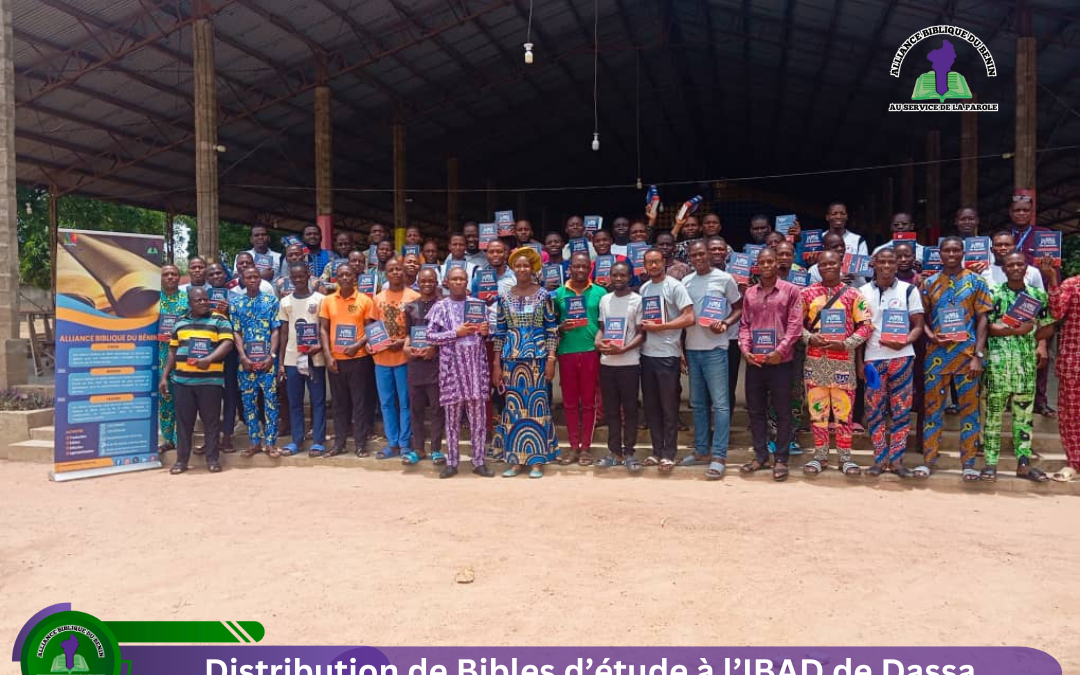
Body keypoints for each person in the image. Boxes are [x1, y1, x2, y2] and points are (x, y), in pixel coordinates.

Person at [919, 236, 992, 480]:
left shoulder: (976, 281)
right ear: (939, 253)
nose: (951, 254)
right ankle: (929, 461)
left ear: (963, 252)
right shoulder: (929, 283)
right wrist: (931, 337)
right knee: (932, 411)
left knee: (969, 412)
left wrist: (978, 356)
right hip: (936, 356)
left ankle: (969, 464)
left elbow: (983, 319)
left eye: (956, 250)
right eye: (947, 250)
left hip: (966, 355)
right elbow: (920, 317)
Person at [798, 251, 873, 477]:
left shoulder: (853, 294)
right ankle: (820, 456)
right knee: (817, 411)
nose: (828, 267)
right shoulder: (807, 294)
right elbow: (794, 325)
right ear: (817, 267)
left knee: (844, 412)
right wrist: (810, 338)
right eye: (823, 264)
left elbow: (867, 325)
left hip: (843, 362)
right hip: (815, 361)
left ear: (840, 265)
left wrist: (847, 344)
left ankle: (845, 458)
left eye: (832, 263)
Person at [982, 251, 1053, 482]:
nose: (1015, 268)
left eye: (1019, 264)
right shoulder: (994, 294)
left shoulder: (1037, 295)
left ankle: (1023, 464)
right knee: (993, 415)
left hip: (1025, 364)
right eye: (1010, 265)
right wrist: (1015, 330)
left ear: (1026, 268)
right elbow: (986, 327)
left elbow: (1049, 325)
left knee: (1024, 416)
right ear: (1003, 269)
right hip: (998, 364)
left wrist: (1034, 338)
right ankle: (990, 464)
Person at [491, 247, 560, 477]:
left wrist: (551, 358)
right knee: (514, 409)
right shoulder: (504, 297)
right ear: (513, 268)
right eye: (518, 266)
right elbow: (499, 332)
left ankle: (537, 460)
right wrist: (496, 364)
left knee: (536, 408)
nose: (522, 269)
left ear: (533, 268)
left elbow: (551, 330)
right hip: (511, 360)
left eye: (526, 265)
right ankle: (516, 460)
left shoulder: (544, 296)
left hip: (537, 359)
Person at [738, 248, 803, 482]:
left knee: (782, 412)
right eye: (762, 262)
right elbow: (745, 324)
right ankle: (760, 456)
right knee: (755, 411)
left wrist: (780, 350)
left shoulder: (791, 291)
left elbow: (795, 325)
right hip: (755, 362)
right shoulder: (750, 294)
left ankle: (782, 460)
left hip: (780, 362)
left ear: (778, 263)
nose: (766, 265)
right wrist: (745, 350)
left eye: (770, 261)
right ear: (757, 266)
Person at [425, 266, 495, 478]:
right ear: (446, 282)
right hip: (451, 371)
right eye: (454, 279)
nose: (458, 282)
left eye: (462, 279)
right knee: (452, 420)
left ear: (467, 282)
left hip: (475, 370)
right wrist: (456, 333)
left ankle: (479, 461)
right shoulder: (440, 307)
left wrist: (486, 331)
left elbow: (492, 334)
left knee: (478, 419)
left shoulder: (479, 305)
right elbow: (430, 337)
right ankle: (452, 461)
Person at [860, 247, 924, 477]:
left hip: (902, 358)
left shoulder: (909, 290)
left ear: (897, 265)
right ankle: (879, 459)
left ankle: (896, 461)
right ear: (874, 264)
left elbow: (918, 324)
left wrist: (906, 340)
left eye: (891, 262)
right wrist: (860, 362)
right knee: (874, 411)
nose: (886, 266)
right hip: (873, 361)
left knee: (901, 410)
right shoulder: (862, 292)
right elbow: (860, 330)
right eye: (882, 262)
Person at [681, 241, 742, 479]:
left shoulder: (724, 279)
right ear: (689, 258)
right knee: (698, 404)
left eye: (701, 253)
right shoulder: (686, 282)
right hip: (692, 349)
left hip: (716, 349)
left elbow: (738, 307)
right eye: (693, 255)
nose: (698, 258)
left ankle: (719, 456)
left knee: (721, 404)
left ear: (710, 254)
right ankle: (701, 451)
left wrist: (725, 323)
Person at [159, 286, 233, 474]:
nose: (203, 302)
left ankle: (213, 459)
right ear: (190, 303)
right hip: (183, 382)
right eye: (198, 300)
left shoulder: (219, 320)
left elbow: (227, 343)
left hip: (210, 382)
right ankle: (181, 461)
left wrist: (209, 359)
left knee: (211, 422)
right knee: (184, 424)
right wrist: (165, 376)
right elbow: (173, 350)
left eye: (204, 299)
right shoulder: (180, 323)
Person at [639, 248, 694, 471]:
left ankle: (669, 453)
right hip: (647, 354)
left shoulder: (675, 286)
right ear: (644, 265)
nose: (653, 266)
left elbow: (690, 317)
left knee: (669, 407)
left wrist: (663, 327)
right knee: (651, 407)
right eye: (649, 263)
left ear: (664, 262)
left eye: (656, 262)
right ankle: (656, 451)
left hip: (667, 355)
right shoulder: (644, 289)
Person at [552, 252, 606, 465]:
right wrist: (560, 328)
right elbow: (551, 324)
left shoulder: (600, 292)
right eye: (577, 266)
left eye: (585, 267)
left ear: (590, 268)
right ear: (570, 268)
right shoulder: (558, 294)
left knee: (589, 402)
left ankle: (586, 447)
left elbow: (605, 323)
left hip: (591, 351)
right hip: (566, 351)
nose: (581, 270)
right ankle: (573, 447)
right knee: (570, 402)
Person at [318, 263, 376, 457]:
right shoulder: (327, 301)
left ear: (355, 278)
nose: (344, 278)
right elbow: (323, 329)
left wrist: (356, 346)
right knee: (339, 404)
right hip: (335, 360)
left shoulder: (365, 300)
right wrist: (327, 355)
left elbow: (371, 330)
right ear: (336, 278)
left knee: (359, 402)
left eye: (348, 275)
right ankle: (339, 443)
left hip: (359, 359)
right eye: (341, 274)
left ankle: (360, 444)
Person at [1008, 192, 1056, 417]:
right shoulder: (1003, 238)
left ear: (1031, 213)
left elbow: (1055, 271)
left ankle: (1040, 400)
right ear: (1011, 212)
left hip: (1038, 301)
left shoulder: (1045, 237)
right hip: (1008, 303)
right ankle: (1010, 398)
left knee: (1040, 353)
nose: (1021, 213)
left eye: (1025, 210)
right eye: (1017, 210)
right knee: (1009, 354)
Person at [595, 261, 645, 472]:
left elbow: (642, 334)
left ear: (629, 277)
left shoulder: (637, 300)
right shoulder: (605, 300)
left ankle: (630, 452)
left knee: (631, 409)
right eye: (614, 275)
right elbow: (602, 329)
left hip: (629, 363)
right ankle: (614, 451)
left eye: (622, 275)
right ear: (609, 276)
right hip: (607, 364)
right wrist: (598, 342)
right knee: (612, 410)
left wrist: (624, 349)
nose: (618, 279)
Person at [370, 257, 420, 460]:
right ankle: (392, 442)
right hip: (381, 358)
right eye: (391, 270)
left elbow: (419, 329)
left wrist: (402, 343)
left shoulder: (414, 297)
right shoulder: (378, 298)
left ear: (404, 271)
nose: (396, 273)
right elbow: (373, 325)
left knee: (405, 401)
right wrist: (373, 343)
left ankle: (405, 443)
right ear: (386, 274)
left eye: (398, 269)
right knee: (387, 402)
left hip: (404, 358)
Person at [230, 266, 281, 458]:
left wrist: (272, 356)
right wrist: (243, 356)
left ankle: (270, 443)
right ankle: (254, 442)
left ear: (261, 279)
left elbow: (275, 330)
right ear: (242, 280)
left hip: (268, 362)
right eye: (248, 277)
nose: (252, 280)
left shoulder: (271, 301)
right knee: (248, 402)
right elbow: (236, 331)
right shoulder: (236, 303)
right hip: (246, 363)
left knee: (270, 401)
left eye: (255, 277)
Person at [277, 262, 327, 457]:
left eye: (301, 276)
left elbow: (325, 328)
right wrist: (281, 362)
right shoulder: (285, 302)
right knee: (295, 401)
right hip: (292, 358)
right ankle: (297, 440)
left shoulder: (321, 299)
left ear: (309, 276)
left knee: (318, 400)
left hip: (316, 357)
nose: (298, 280)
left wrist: (320, 347)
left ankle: (318, 441)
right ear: (290, 277)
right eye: (294, 277)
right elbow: (283, 333)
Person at [403, 267, 446, 465]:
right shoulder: (410, 307)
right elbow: (408, 333)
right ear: (417, 283)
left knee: (437, 408)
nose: (427, 284)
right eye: (423, 281)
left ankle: (436, 449)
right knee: (416, 408)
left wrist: (434, 349)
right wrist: (406, 346)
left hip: (436, 365)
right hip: (415, 364)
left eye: (431, 281)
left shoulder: (443, 305)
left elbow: (448, 334)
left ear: (436, 282)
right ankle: (418, 448)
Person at [1045, 255, 1080, 480]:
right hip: (1073, 362)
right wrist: (1052, 279)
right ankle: (1074, 463)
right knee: (1071, 415)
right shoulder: (1072, 284)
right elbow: (1056, 313)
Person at [204, 262, 239, 453]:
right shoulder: (201, 298)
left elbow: (240, 327)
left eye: (219, 272)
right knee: (208, 397)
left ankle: (227, 437)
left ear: (225, 275)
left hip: (230, 354)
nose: (217, 276)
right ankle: (210, 438)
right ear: (207, 278)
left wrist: (228, 312)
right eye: (212, 274)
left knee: (230, 394)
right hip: (206, 353)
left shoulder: (235, 298)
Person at [157, 264, 188, 455]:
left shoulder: (186, 299)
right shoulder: (152, 300)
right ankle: (168, 440)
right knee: (164, 399)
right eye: (166, 274)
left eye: (174, 274)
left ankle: (183, 440)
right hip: (158, 355)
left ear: (179, 277)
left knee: (183, 400)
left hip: (182, 355)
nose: (170, 277)